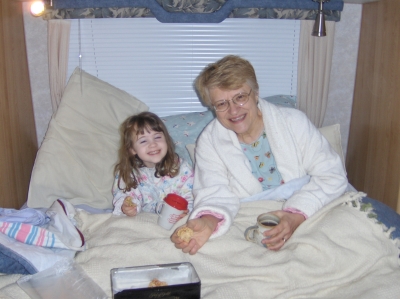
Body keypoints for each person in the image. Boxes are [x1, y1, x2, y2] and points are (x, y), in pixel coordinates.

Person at [171, 55, 347, 254]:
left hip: (309, 210)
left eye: (240, 97)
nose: (233, 110)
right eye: (221, 104)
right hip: (247, 218)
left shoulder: (294, 123)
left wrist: (295, 216)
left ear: (255, 93)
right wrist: (209, 222)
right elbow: (213, 193)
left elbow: (332, 175)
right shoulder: (209, 142)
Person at [112, 111, 194, 217]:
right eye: (143, 141)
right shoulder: (128, 173)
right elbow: (124, 195)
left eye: (157, 137)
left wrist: (186, 211)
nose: (153, 144)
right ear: (132, 149)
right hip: (145, 219)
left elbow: (190, 195)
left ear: (166, 140)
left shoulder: (182, 168)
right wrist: (127, 206)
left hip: (176, 218)